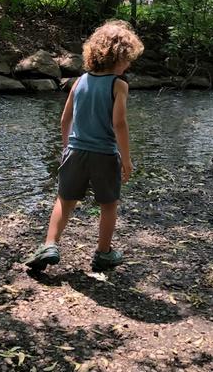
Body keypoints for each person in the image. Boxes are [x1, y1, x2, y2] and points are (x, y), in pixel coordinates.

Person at [25, 20, 144, 272]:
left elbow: (64, 119)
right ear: (117, 58)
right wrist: (126, 158)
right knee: (108, 204)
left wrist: (67, 146)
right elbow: (119, 124)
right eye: (128, 59)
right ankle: (103, 253)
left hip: (75, 151)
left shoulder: (79, 82)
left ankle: (49, 244)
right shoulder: (119, 85)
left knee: (64, 200)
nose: (129, 64)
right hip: (105, 154)